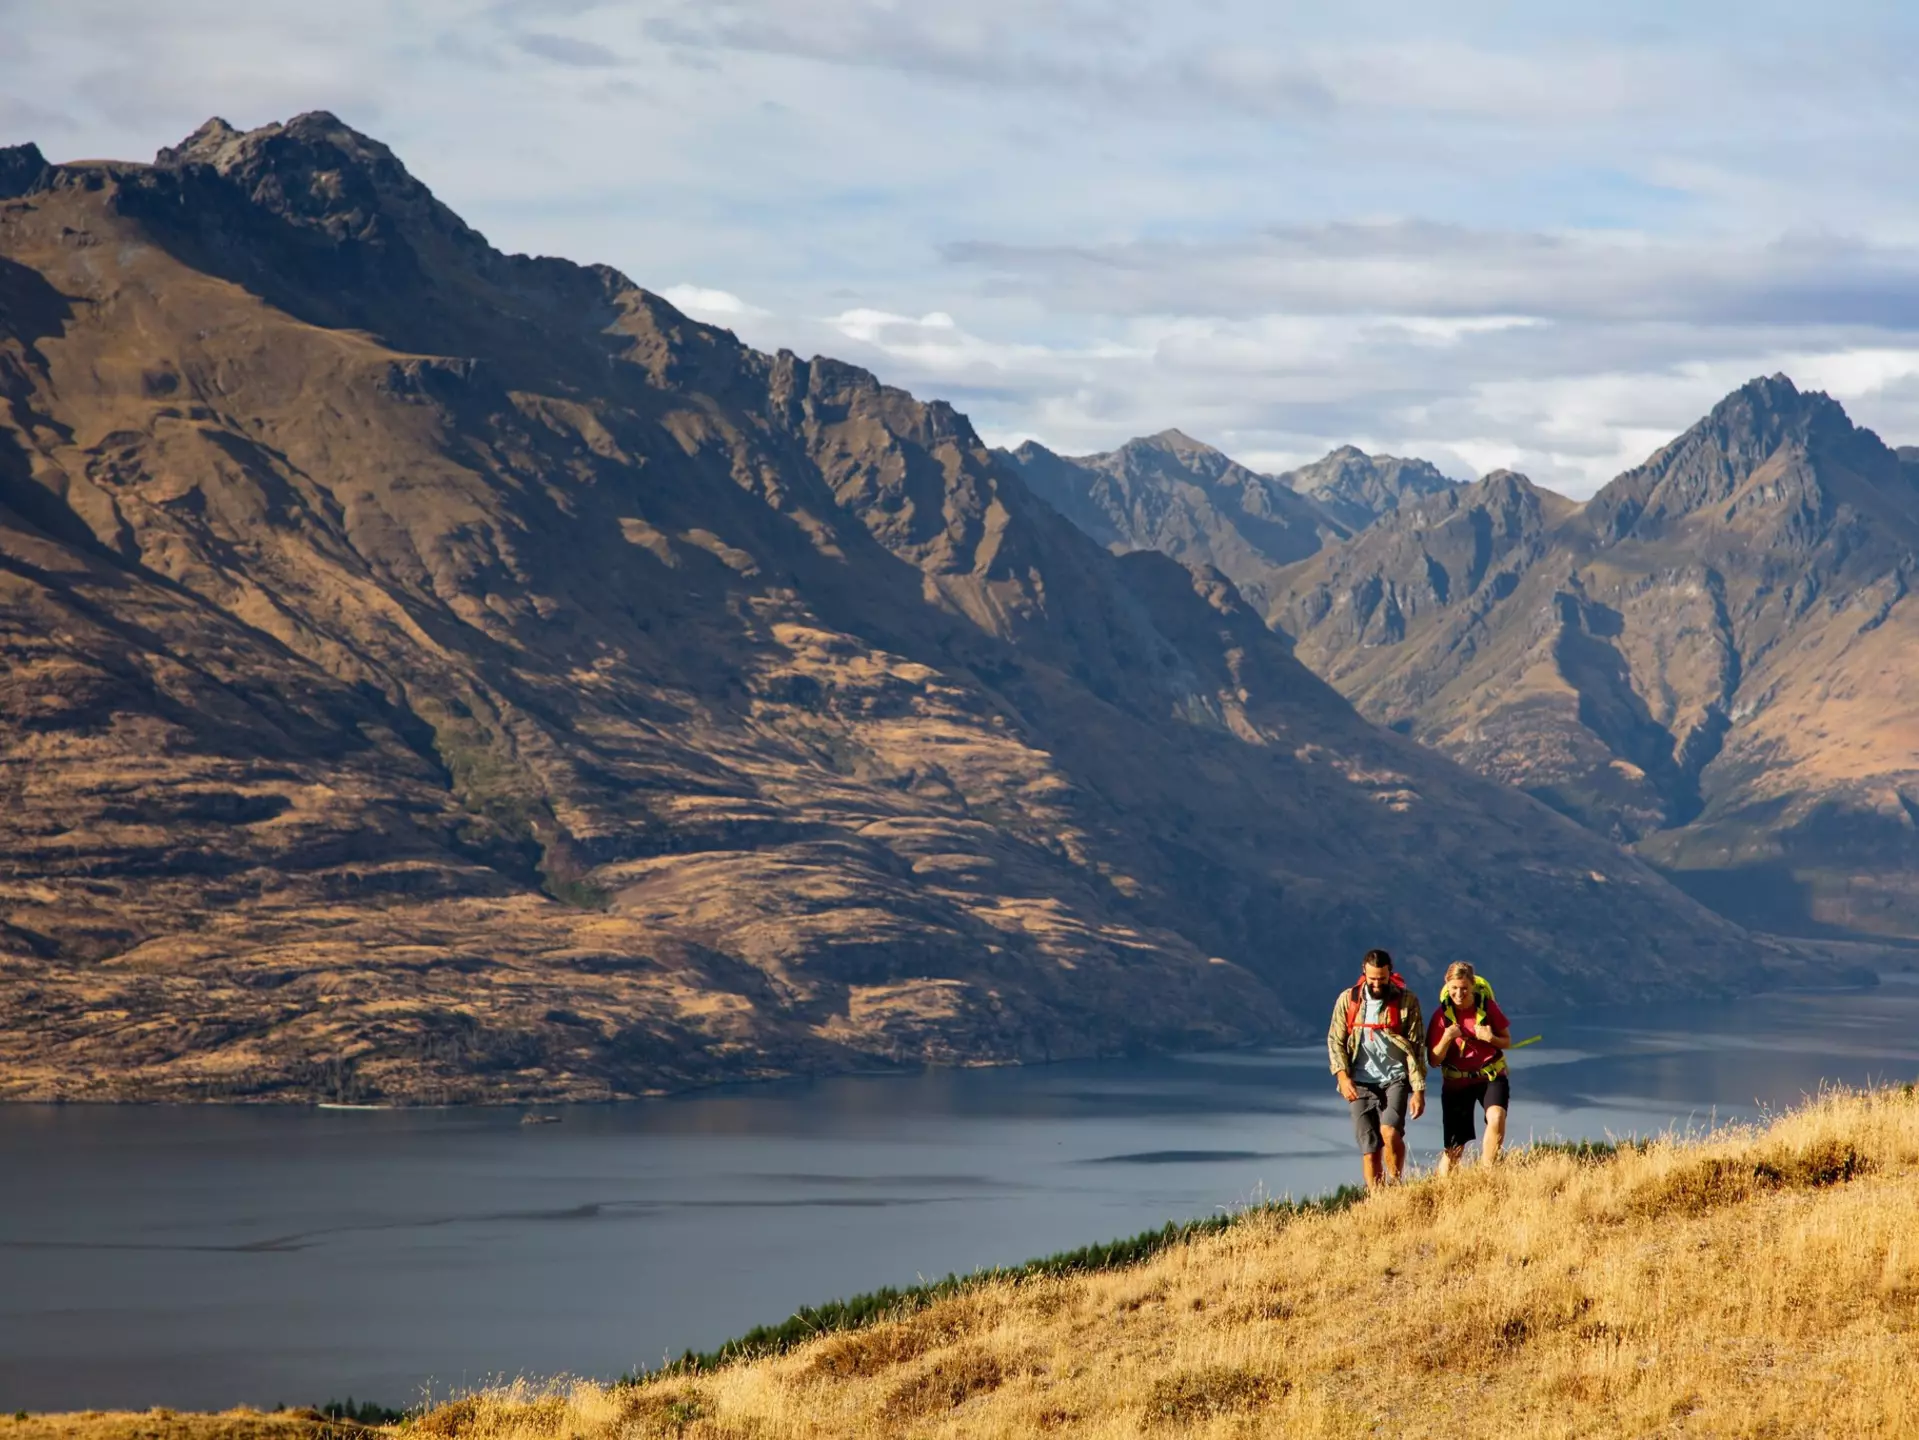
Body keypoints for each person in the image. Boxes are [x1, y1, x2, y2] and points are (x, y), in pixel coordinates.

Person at [1326, 948, 1426, 1189]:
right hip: (1359, 1081)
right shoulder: (1348, 1000)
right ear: (1364, 973)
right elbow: (1335, 1040)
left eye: (1382, 978)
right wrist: (1342, 1077)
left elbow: (1416, 1046)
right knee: (1370, 1150)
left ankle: (1395, 1184)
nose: (1377, 984)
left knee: (1390, 1133)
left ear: (1390, 973)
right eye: (1372, 979)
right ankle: (1377, 1200)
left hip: (1395, 1078)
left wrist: (1418, 1090)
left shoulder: (1406, 1000)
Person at [1427, 961, 1512, 1173]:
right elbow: (1434, 1060)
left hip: (1490, 1075)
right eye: (1454, 988)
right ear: (1447, 985)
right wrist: (1447, 1037)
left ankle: (1487, 1172)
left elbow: (1506, 1041)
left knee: (1497, 1117)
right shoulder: (1441, 1016)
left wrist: (1490, 1037)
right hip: (1457, 1081)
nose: (1459, 993)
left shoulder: (1487, 1007)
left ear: (1472, 985)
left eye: (1464, 988)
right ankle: (1443, 1190)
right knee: (1454, 1149)